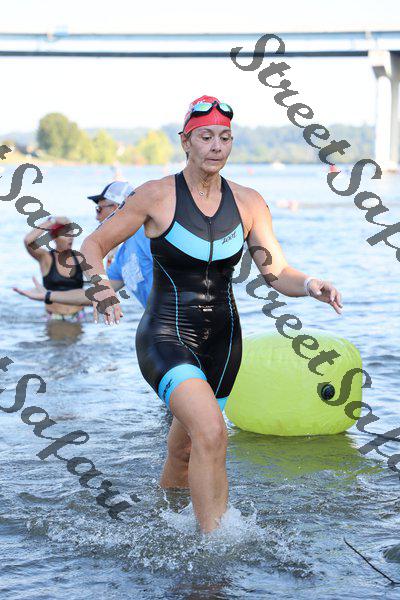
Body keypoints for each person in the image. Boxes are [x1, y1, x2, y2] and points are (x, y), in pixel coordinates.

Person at [21, 95, 343, 533]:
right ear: (186, 142)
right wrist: (101, 289)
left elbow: (277, 272)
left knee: (186, 450)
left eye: (225, 137)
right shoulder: (155, 195)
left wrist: (310, 285)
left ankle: (162, 525)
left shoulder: (249, 202)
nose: (216, 146)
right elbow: (94, 244)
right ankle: (215, 549)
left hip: (224, 345)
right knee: (212, 433)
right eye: (205, 137)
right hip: (166, 335)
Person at [15, 181, 153, 310]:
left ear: (116, 208)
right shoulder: (122, 257)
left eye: (99, 209)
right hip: (157, 320)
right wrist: (48, 295)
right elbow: (98, 293)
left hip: (165, 320)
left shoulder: (147, 235)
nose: (97, 217)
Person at [23, 215, 85, 322]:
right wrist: (52, 221)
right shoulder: (46, 258)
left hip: (79, 317)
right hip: (54, 318)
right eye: (65, 234)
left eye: (71, 232)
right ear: (54, 238)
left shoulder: (79, 258)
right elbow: (28, 241)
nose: (70, 237)